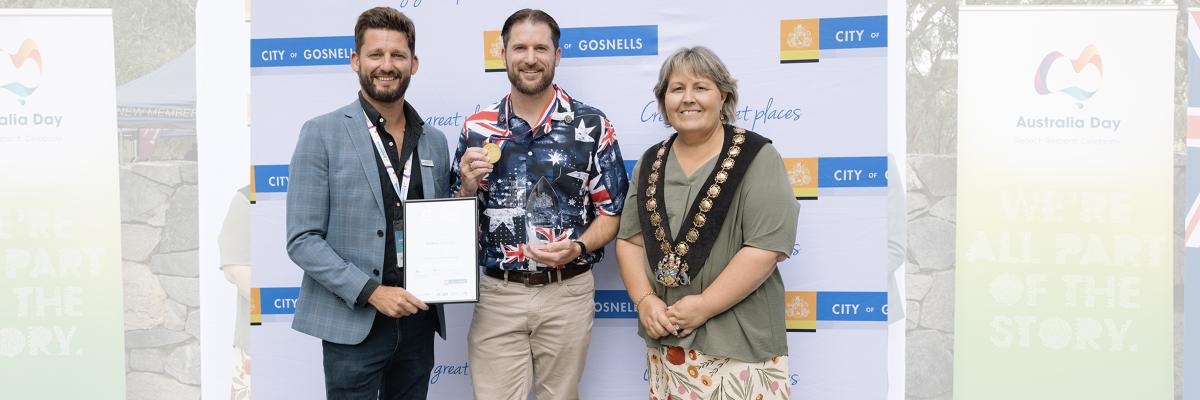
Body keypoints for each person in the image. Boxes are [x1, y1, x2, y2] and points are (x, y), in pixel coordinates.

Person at [451, 8, 628, 400]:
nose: (530, 58)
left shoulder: (591, 125)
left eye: (540, 48)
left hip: (567, 291)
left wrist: (579, 246)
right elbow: (454, 220)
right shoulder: (477, 128)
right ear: (503, 53)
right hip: (499, 293)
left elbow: (613, 212)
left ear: (557, 55)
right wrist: (465, 186)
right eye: (520, 48)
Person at [615, 46, 799, 400]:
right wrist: (644, 301)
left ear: (723, 95)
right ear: (663, 99)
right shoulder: (651, 162)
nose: (688, 99)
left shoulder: (758, 157)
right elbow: (629, 241)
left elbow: (766, 247)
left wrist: (703, 305)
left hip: (739, 343)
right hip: (668, 341)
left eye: (701, 87)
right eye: (677, 88)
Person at [285, 7, 449, 399]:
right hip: (353, 322)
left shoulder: (435, 142)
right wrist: (373, 292)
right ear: (356, 60)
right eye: (376, 55)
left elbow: (440, 226)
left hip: (417, 320)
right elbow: (302, 239)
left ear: (414, 63)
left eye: (398, 55)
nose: (387, 65)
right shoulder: (321, 133)